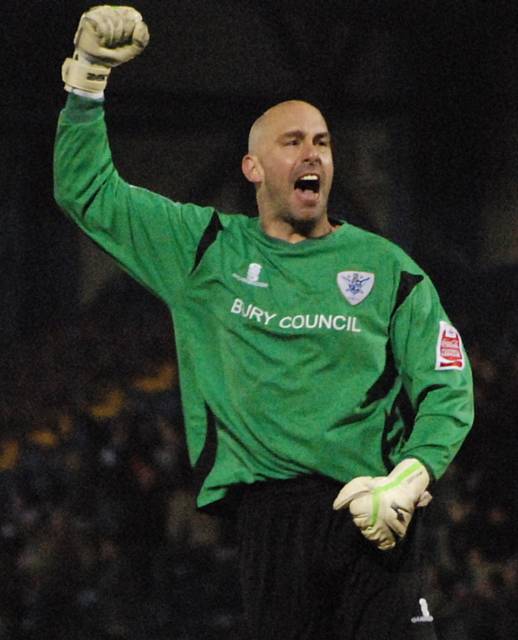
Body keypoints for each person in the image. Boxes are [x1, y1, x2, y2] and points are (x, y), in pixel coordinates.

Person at [54, 6, 474, 639]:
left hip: (373, 510)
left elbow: (449, 384)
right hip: (270, 521)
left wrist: (412, 474)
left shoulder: (389, 269)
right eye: (294, 141)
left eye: (324, 142)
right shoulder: (205, 249)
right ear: (252, 168)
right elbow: (88, 192)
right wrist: (86, 84)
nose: (314, 154)